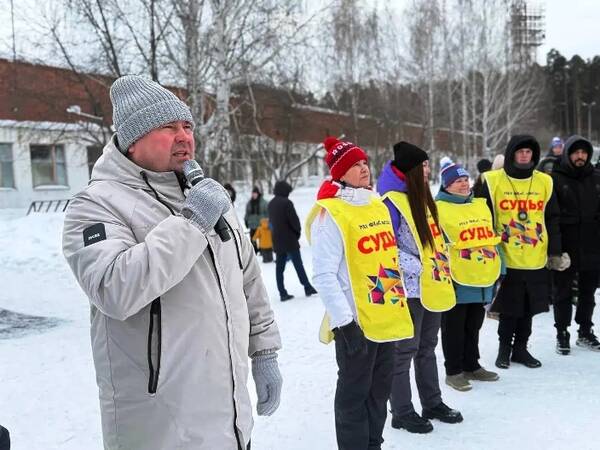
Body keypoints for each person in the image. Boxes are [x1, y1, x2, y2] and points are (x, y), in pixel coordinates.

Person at [62, 75, 282, 450]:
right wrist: (192, 223)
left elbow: (246, 276)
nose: (184, 137)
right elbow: (115, 289)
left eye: (187, 126)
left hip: (229, 423)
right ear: (133, 141)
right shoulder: (95, 205)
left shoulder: (206, 195)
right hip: (160, 429)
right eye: (168, 127)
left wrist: (264, 350)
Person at [307, 136, 414, 450]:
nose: (364, 168)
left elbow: (386, 258)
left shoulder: (376, 204)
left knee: (379, 393)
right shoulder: (330, 213)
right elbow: (324, 275)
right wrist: (345, 324)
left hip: (386, 316)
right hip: (356, 324)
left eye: (364, 162)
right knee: (354, 397)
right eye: (354, 165)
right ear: (339, 173)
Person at [377, 141, 461, 434]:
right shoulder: (391, 201)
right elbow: (387, 247)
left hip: (432, 286)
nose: (428, 170)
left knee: (427, 347)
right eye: (423, 166)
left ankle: (432, 403)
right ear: (410, 170)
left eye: (428, 165)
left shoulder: (423, 197)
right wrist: (421, 266)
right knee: (404, 350)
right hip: (408, 289)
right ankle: (401, 411)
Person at [479, 134, 564, 370]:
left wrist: (555, 252)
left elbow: (553, 218)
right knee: (509, 307)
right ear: (511, 154)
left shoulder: (545, 181)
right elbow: (482, 215)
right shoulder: (493, 180)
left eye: (528, 152)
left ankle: (521, 349)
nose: (525, 155)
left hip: (536, 255)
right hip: (506, 255)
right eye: (520, 151)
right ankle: (504, 349)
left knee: (529, 306)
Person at [435, 159, 501, 392]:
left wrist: (500, 267)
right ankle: (453, 371)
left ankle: (472, 365)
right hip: (457, 277)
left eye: (465, 179)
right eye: (457, 181)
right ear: (446, 185)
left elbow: (491, 237)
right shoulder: (438, 208)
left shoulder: (480, 205)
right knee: (454, 327)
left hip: (482, 274)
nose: (464, 184)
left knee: (474, 324)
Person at [551, 135, 600, 354]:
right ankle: (562, 332)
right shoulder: (555, 179)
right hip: (566, 245)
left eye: (584, 153)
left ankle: (585, 330)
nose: (580, 156)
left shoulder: (596, 177)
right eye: (576, 152)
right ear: (568, 154)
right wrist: (555, 249)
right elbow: (551, 216)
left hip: (592, 244)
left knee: (588, 292)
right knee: (562, 292)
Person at [268, 180, 317, 301]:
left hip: (277, 239)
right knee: (298, 264)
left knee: (279, 268)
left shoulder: (271, 204)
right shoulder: (287, 203)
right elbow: (294, 221)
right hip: (290, 239)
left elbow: (271, 223)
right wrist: (297, 233)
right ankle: (307, 287)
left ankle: (282, 292)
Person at [245, 186, 269, 253]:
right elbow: (247, 213)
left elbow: (267, 213)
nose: (254, 195)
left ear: (258, 194)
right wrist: (246, 220)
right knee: (253, 239)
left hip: (261, 224)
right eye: (253, 193)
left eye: (255, 193)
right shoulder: (249, 203)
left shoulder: (264, 202)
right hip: (252, 224)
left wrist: (267, 222)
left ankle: (262, 250)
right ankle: (254, 251)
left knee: (262, 238)